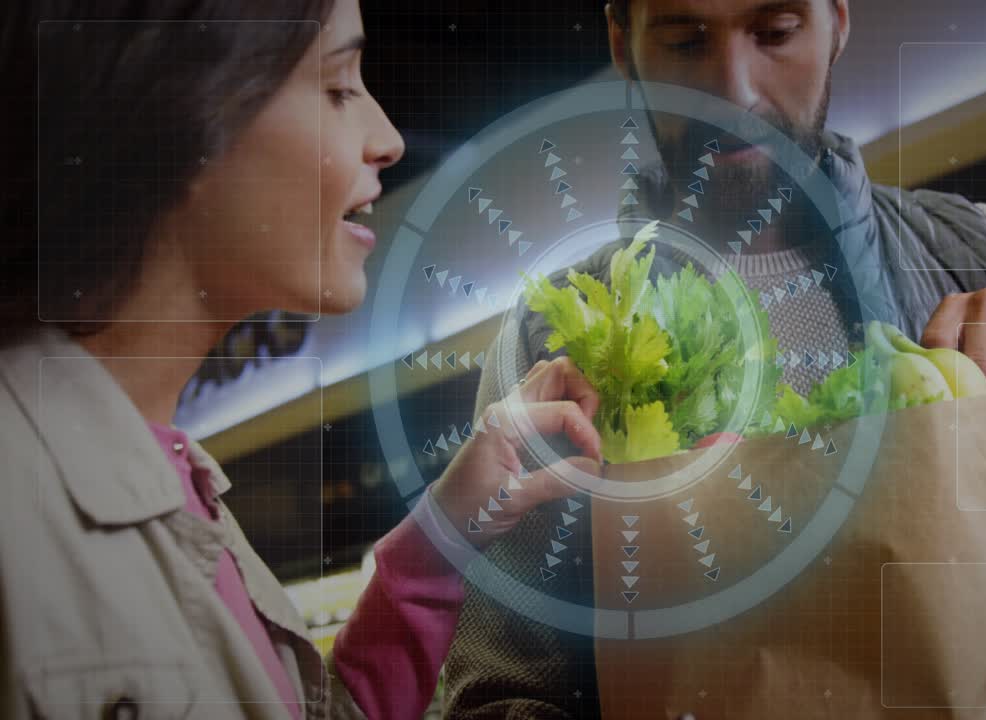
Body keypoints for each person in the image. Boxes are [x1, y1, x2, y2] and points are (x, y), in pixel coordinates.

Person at [444, 1, 986, 718]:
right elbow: (495, 688)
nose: (734, 91)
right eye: (686, 40)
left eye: (775, 30)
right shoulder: (553, 341)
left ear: (837, 22)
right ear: (625, 47)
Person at [0, 2, 603, 719]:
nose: (386, 139)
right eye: (339, 86)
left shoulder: (176, 484)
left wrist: (440, 540)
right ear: (176, 106)